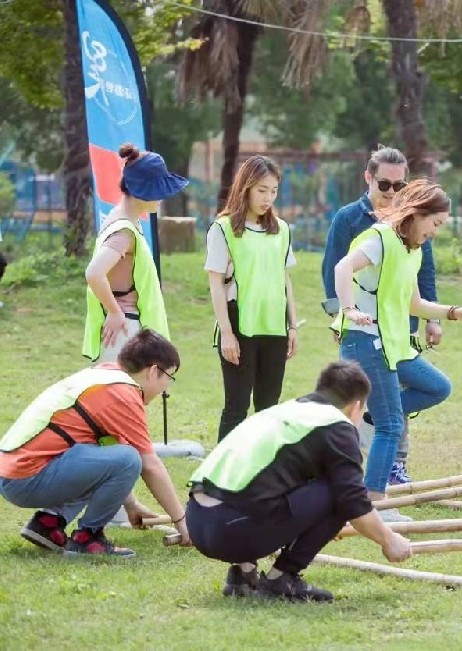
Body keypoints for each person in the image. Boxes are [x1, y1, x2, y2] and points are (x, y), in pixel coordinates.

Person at [185, 361, 412, 601]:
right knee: (337, 494)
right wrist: (389, 539)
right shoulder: (337, 426)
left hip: (198, 522)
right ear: (357, 406)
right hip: (233, 530)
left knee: (269, 481)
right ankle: (281, 578)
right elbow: (353, 502)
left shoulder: (283, 412)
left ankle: (243, 573)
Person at [333, 179, 462, 522]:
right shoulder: (380, 239)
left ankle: (371, 417)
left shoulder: (411, 250)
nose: (436, 232)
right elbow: (342, 267)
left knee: (438, 387)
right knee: (391, 427)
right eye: (436, 224)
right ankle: (375, 503)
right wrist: (349, 308)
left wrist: (452, 312)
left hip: (394, 344)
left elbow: (414, 303)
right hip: (366, 341)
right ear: (417, 214)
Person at [0, 329, 191, 557]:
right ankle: (87, 538)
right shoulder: (123, 393)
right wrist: (182, 521)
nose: (166, 389)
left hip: (14, 473)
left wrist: (131, 505)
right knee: (129, 457)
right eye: (169, 377)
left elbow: (106, 454)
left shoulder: (104, 375)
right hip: (26, 478)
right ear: (153, 371)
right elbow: (149, 465)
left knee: (113, 453)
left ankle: (48, 524)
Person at [321, 146, 441, 485]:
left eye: (398, 186)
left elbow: (423, 273)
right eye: (384, 185)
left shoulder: (415, 218)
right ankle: (352, 469)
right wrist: (341, 316)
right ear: (368, 178)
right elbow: (333, 268)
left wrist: (434, 318)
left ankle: (395, 464)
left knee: (394, 404)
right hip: (363, 328)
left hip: (400, 326)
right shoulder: (349, 218)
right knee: (367, 400)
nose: (391, 193)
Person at [206, 155, 299, 441]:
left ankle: (261, 477)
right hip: (239, 327)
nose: (268, 198)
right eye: (262, 190)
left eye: (273, 191)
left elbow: (285, 279)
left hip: (274, 328)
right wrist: (227, 334)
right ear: (245, 187)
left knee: (269, 409)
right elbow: (216, 285)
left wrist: (292, 326)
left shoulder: (281, 230)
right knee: (236, 408)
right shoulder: (222, 229)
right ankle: (217, 482)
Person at [83, 143, 188, 362]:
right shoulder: (124, 231)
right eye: (158, 190)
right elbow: (94, 273)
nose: (161, 198)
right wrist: (114, 311)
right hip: (125, 332)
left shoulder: (121, 220)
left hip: (127, 331)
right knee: (127, 396)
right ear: (143, 190)